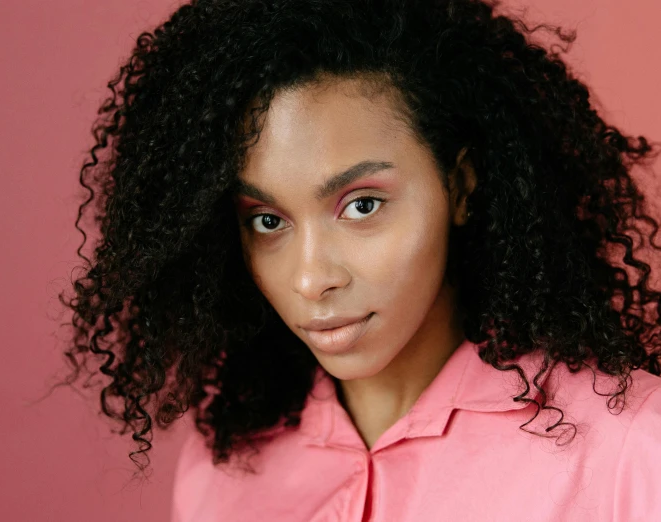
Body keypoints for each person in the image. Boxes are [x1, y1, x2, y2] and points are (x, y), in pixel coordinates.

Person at [57, 0, 661, 520]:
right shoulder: (226, 466)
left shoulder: (631, 449)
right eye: (268, 221)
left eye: (362, 205)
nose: (311, 277)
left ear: (462, 183)